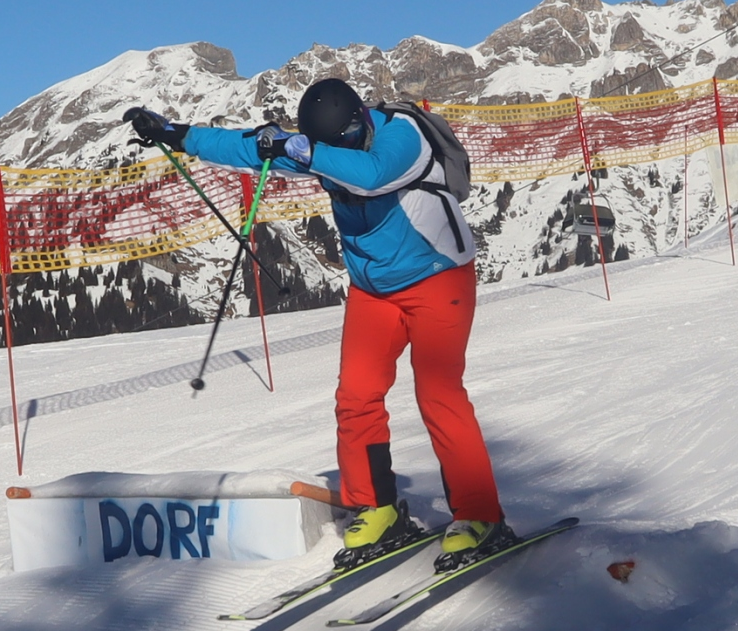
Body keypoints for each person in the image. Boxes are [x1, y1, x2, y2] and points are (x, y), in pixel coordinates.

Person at [125, 79, 508, 573]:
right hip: (374, 290)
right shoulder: (318, 148)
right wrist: (177, 135)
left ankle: (479, 514)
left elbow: (371, 176)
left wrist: (303, 150)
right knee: (356, 396)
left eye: (347, 139)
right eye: (330, 145)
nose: (340, 148)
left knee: (438, 393)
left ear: (361, 121)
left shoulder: (402, 135)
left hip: (438, 276)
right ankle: (377, 508)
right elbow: (248, 147)